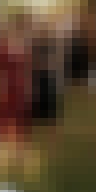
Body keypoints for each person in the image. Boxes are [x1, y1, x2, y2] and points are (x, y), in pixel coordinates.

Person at [0, 13, 32, 159]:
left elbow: (27, 67)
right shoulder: (1, 45)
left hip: (18, 85)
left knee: (17, 115)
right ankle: (1, 149)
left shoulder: (24, 44)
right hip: (6, 85)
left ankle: (16, 148)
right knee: (3, 114)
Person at [29, 17, 64, 147]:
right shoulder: (36, 42)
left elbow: (55, 59)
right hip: (39, 78)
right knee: (39, 107)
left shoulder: (50, 42)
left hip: (47, 78)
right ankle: (42, 134)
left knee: (49, 109)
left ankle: (50, 135)